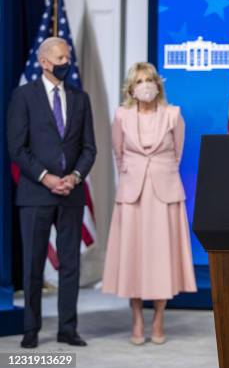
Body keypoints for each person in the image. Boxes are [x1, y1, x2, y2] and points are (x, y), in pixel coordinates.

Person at [6, 37, 97, 348]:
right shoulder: (23, 96)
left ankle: (67, 329)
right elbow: (17, 148)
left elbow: (89, 148)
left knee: (70, 263)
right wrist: (46, 178)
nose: (65, 62)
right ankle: (30, 329)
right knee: (32, 264)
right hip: (36, 194)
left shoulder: (80, 98)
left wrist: (74, 176)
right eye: (60, 57)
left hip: (71, 193)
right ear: (44, 62)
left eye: (67, 57)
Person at [102, 62, 196, 345]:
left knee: (161, 260)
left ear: (158, 84)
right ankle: (136, 320)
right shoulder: (121, 116)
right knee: (134, 258)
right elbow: (118, 154)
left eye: (150, 80)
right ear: (131, 87)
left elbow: (177, 154)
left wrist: (158, 173)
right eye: (140, 80)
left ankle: (158, 321)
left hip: (164, 195)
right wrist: (134, 176)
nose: (146, 85)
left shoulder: (173, 115)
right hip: (132, 196)